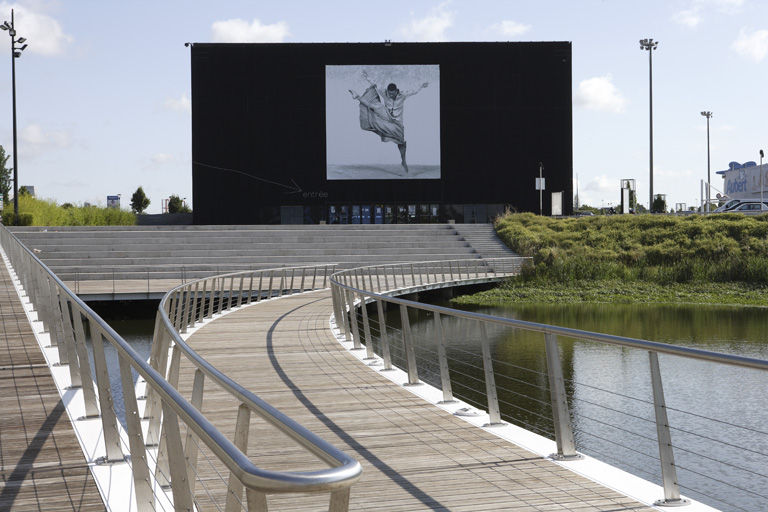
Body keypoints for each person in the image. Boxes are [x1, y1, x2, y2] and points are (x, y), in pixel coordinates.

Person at [349, 70, 428, 174]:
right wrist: (367, 76)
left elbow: (414, 90)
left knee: (401, 142)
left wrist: (422, 85)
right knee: (377, 107)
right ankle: (357, 97)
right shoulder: (383, 92)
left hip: (397, 123)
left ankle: (403, 160)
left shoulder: (403, 94)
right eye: (389, 94)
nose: (390, 96)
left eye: (392, 94)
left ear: (397, 91)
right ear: (387, 91)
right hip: (386, 117)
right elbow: (375, 83)